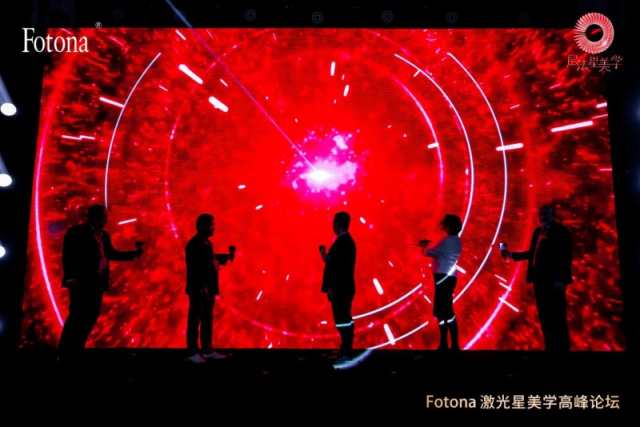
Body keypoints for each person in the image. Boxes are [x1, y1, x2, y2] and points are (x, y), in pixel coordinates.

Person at [58, 204, 143, 359]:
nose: (106, 219)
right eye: (104, 216)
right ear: (95, 216)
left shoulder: (103, 235)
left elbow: (110, 253)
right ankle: (65, 352)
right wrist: (70, 278)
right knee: (77, 317)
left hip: (97, 283)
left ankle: (75, 350)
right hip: (82, 283)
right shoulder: (77, 232)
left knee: (89, 317)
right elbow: (68, 255)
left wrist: (133, 254)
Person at [500, 204, 572, 351]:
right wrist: (511, 255)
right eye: (541, 214)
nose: (543, 217)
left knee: (557, 317)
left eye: (546, 213)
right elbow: (532, 253)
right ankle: (551, 347)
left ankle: (562, 349)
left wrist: (560, 279)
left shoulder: (561, 231)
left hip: (553, 281)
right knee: (545, 317)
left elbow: (565, 256)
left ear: (552, 214)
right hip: (540, 280)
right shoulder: (538, 231)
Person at [185, 213, 236, 363]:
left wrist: (221, 259)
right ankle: (193, 352)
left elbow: (207, 261)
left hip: (208, 289)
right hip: (200, 289)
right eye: (211, 225)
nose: (214, 228)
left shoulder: (206, 243)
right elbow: (194, 267)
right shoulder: (195, 244)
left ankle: (206, 349)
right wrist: (201, 286)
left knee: (207, 319)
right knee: (195, 320)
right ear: (203, 226)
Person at [419, 214, 462, 351]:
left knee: (445, 311)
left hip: (443, 278)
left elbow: (431, 253)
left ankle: (451, 344)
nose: (442, 225)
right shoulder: (456, 241)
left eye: (444, 223)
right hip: (449, 277)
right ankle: (447, 343)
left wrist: (424, 247)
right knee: (443, 310)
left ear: (449, 226)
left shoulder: (447, 241)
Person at [320, 211, 356, 362]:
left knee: (342, 319)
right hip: (344, 288)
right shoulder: (346, 241)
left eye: (334, 222)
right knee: (344, 318)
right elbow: (334, 262)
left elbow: (336, 267)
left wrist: (332, 288)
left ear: (338, 224)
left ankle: (346, 351)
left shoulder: (343, 242)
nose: (332, 225)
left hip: (341, 289)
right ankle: (345, 349)